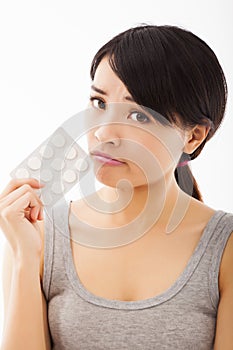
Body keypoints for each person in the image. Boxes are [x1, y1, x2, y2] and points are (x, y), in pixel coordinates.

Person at [0, 24, 232, 350]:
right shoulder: (37, 234)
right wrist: (25, 257)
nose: (104, 133)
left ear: (193, 136)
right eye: (99, 102)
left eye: (138, 116)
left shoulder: (225, 248)